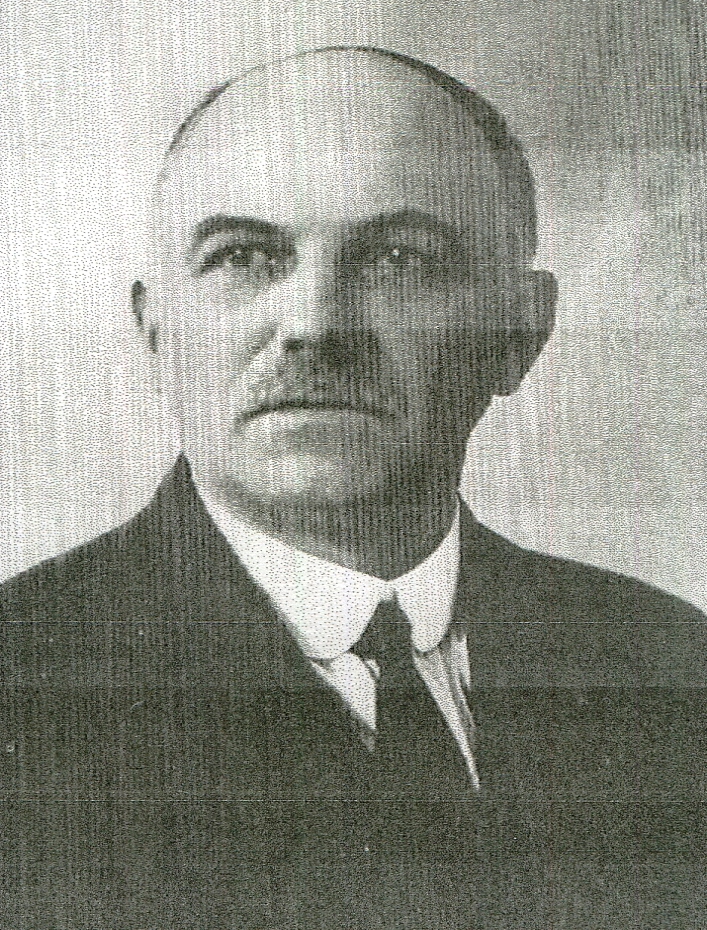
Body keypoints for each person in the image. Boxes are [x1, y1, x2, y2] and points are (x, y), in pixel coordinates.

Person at [1, 46, 704, 929]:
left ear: (520, 331)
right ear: (156, 331)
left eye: (398, 258)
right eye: (242, 256)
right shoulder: (24, 686)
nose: (315, 325)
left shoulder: (668, 669)